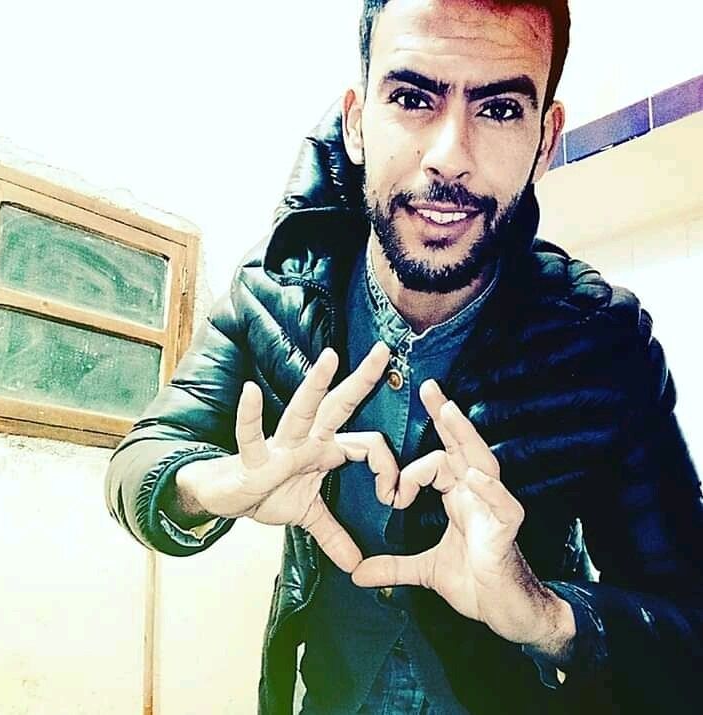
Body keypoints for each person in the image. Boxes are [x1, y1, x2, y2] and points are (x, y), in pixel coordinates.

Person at [105, 1, 703, 713]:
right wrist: (211, 487)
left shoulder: (605, 341)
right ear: (357, 122)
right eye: (413, 98)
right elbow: (142, 458)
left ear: (545, 140)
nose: (450, 155)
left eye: (500, 109)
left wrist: (548, 618)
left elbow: (687, 623)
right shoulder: (275, 290)